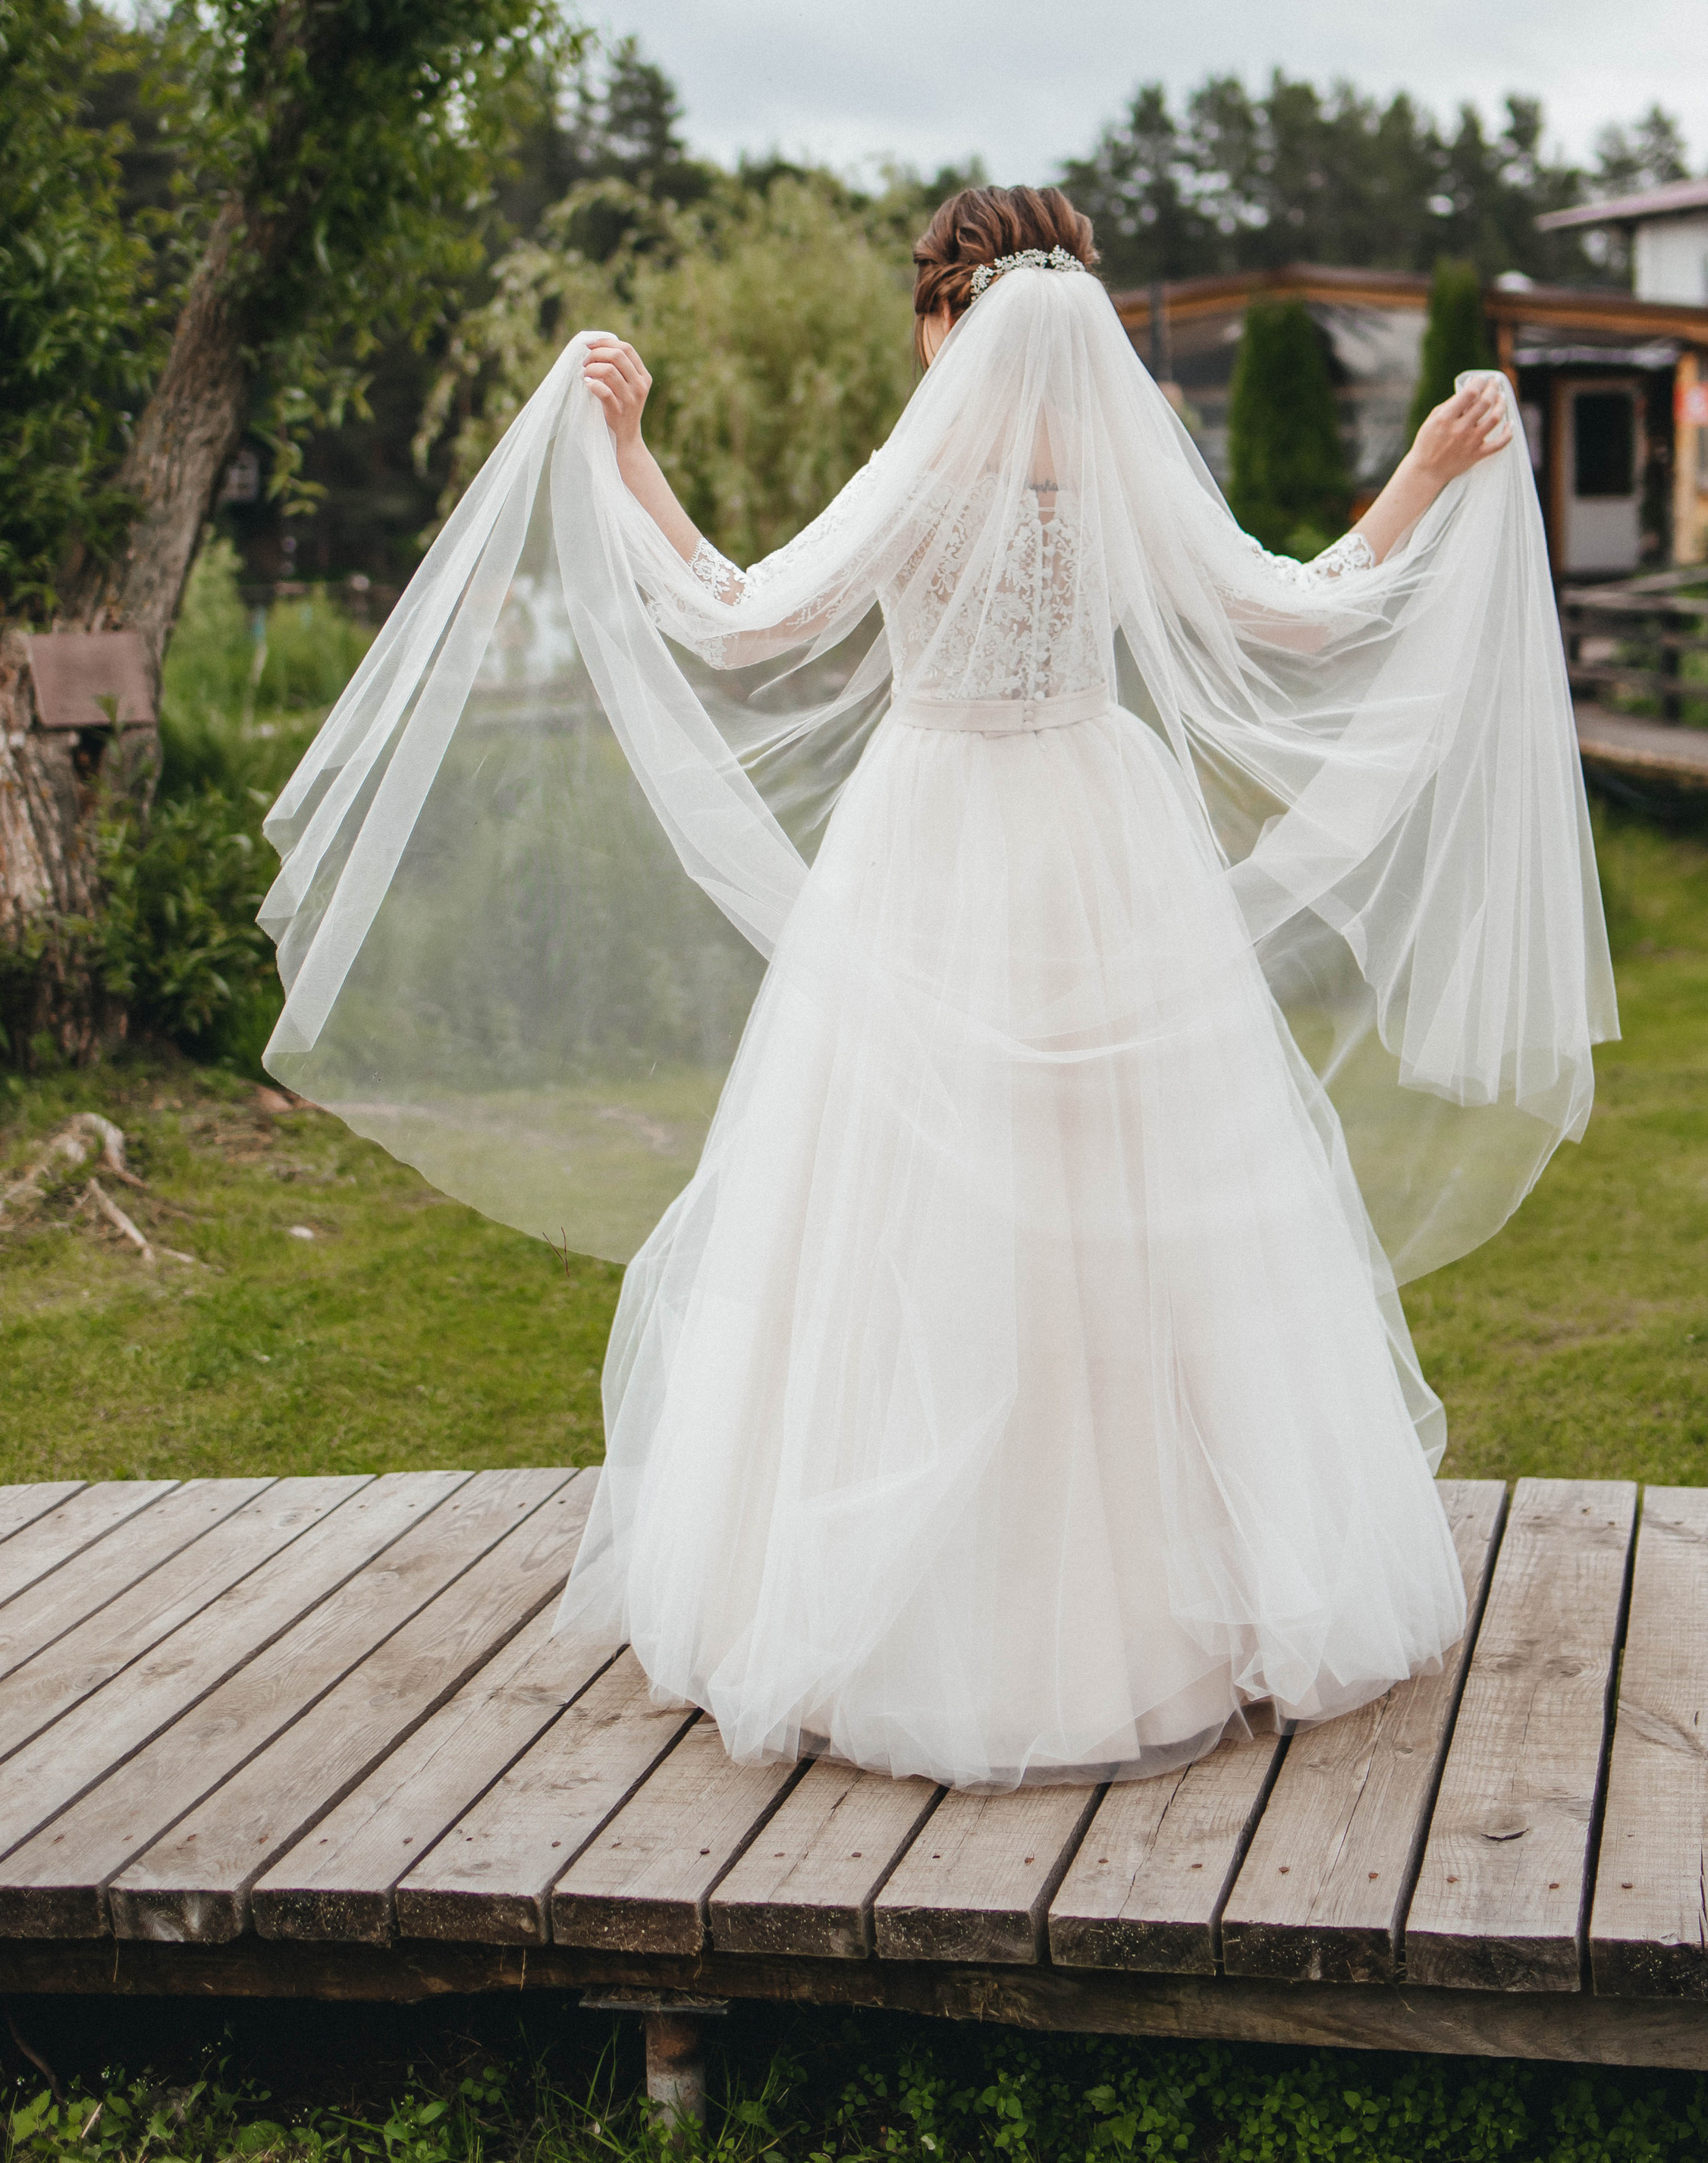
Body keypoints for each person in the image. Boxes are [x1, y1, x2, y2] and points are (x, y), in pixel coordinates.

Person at [262, 185, 1614, 1790]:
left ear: (936, 322)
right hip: (1106, 840)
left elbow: (740, 620)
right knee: (1139, 1195)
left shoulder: (917, 482)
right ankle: (1172, 1604)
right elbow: (1292, 608)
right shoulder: (1117, 483)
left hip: (937, 836)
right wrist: (1428, 471)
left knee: (900, 1203)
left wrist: (627, 450)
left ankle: (914, 1616)